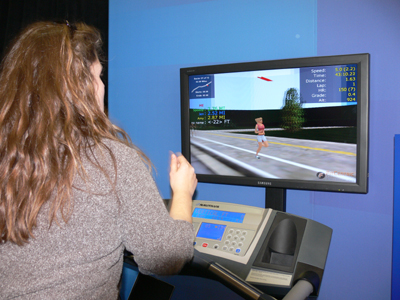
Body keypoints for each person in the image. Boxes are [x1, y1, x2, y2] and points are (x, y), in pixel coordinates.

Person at [0, 21, 197, 299]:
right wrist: (182, 193)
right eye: (98, 76)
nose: (102, 87)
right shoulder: (112, 161)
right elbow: (164, 258)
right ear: (78, 87)